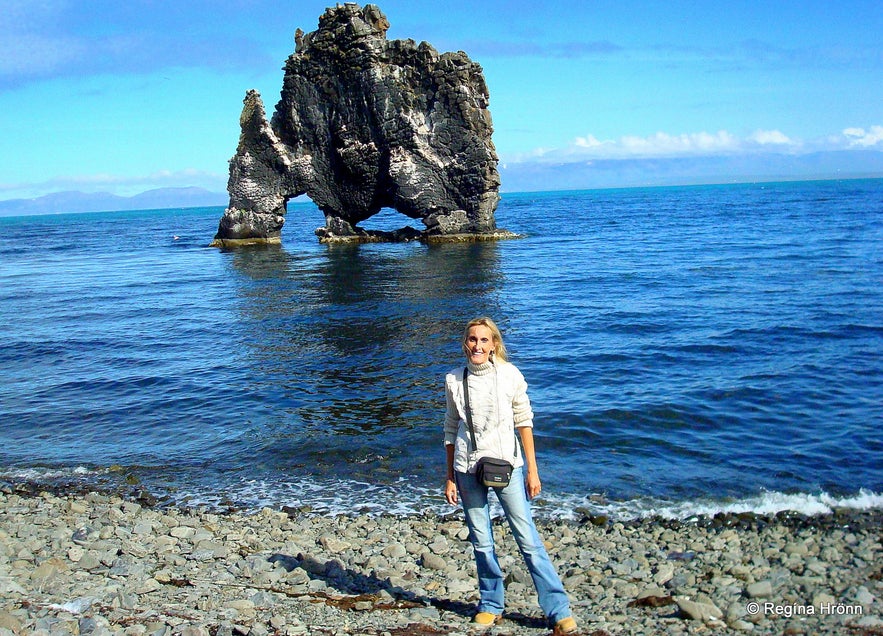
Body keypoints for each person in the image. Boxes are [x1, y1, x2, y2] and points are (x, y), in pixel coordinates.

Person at [443, 317, 578, 634]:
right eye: (473, 340)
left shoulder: (510, 375)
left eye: (484, 340)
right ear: (466, 343)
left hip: (509, 465)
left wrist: (533, 469)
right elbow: (450, 429)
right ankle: (491, 604)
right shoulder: (453, 379)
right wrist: (449, 476)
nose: (478, 346)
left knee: (528, 540)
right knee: (481, 541)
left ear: (494, 345)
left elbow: (524, 422)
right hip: (467, 467)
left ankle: (558, 609)